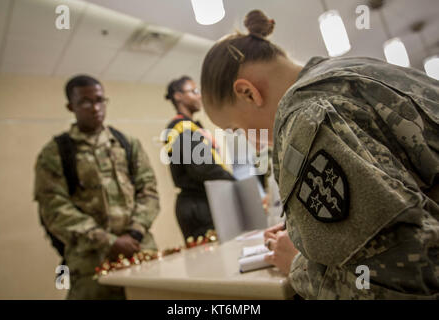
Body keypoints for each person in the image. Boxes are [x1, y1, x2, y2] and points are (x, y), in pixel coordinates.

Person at [200, 10, 439, 299]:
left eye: (235, 129)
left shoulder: (306, 120)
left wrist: (298, 264)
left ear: (248, 93)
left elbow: (405, 278)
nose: (252, 145)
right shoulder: (354, 70)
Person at [34, 75, 160, 299]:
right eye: (85, 101)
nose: (95, 107)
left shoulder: (126, 143)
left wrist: (135, 233)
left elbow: (148, 190)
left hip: (138, 251)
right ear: (70, 106)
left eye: (100, 100)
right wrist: (108, 242)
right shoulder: (56, 152)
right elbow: (54, 208)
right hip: (91, 264)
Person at [163, 76, 234, 240]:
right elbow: (202, 167)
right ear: (178, 96)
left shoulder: (194, 127)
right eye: (193, 91)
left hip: (205, 200)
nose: (199, 95)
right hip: (196, 205)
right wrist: (233, 181)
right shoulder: (180, 126)